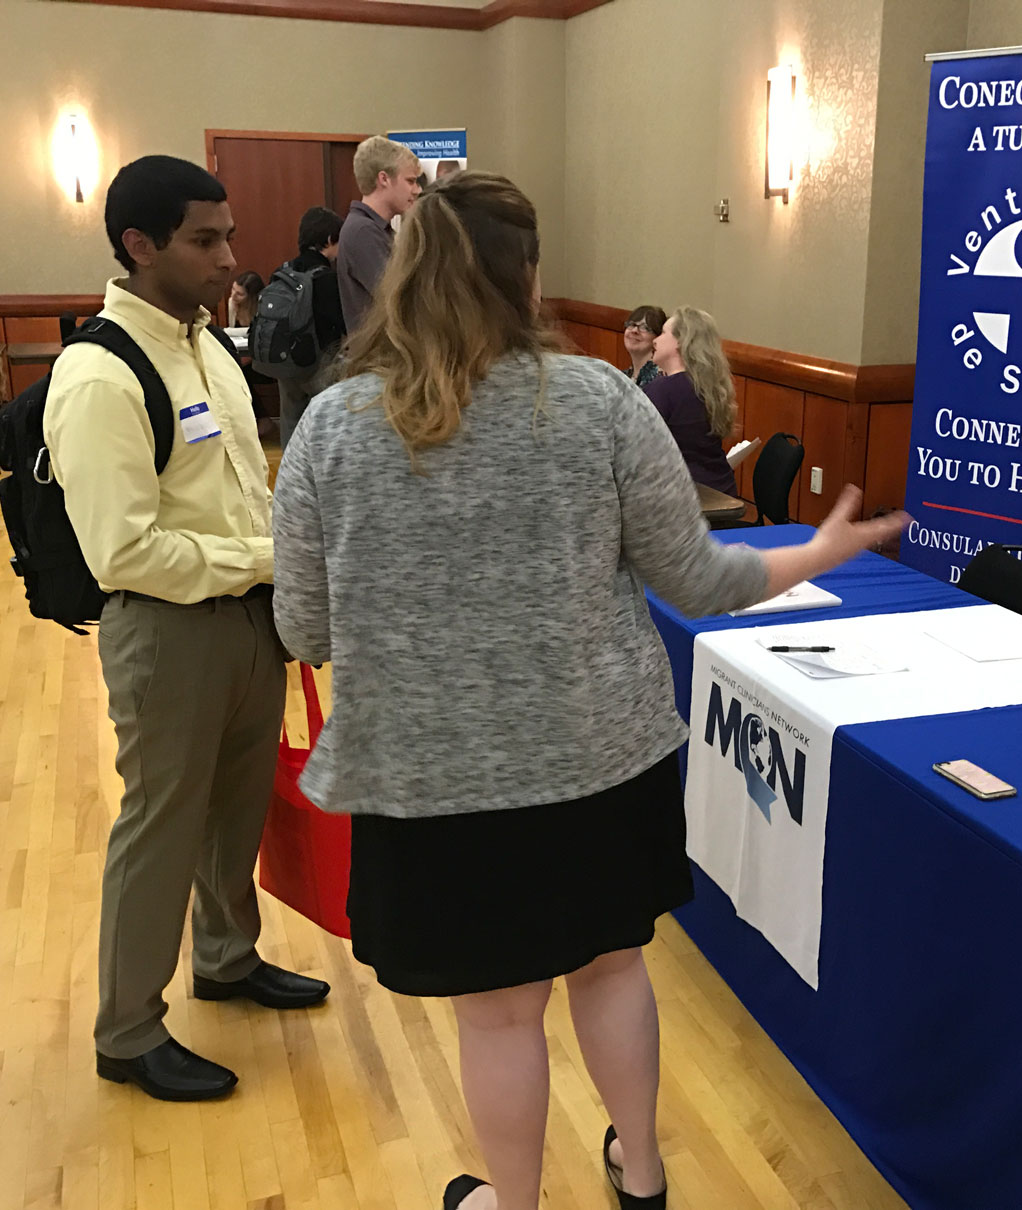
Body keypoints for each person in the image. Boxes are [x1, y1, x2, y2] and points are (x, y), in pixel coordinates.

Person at [271, 171, 908, 1210]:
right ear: (524, 280)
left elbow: (301, 627)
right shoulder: (597, 403)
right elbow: (701, 580)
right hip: (598, 763)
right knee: (612, 970)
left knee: (497, 1016)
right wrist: (816, 553)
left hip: (432, 789)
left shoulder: (333, 430)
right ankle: (641, 1176)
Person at [45, 154, 329, 1104]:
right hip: (166, 635)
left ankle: (226, 957)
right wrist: (263, 559)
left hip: (248, 622)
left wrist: (274, 574)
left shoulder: (208, 344)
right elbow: (122, 553)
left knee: (236, 807)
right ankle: (126, 1029)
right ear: (140, 245)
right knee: (160, 826)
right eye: (205, 240)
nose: (229, 259)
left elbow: (239, 485)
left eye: (229, 236)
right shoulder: (98, 372)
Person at [643, 306, 739, 495]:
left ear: (680, 342)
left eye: (662, 333)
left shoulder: (663, 389)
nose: (655, 340)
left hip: (682, 496)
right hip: (722, 490)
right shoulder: (712, 387)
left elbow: (637, 447)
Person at [336, 135, 421, 331]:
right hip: (378, 357)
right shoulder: (362, 232)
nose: (417, 190)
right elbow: (401, 300)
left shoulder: (375, 229)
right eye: (410, 181)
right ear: (384, 179)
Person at [277, 206, 345, 444]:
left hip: (285, 363)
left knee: (290, 421)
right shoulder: (327, 279)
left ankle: (290, 470)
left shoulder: (282, 273)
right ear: (329, 240)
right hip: (320, 364)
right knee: (328, 422)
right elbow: (341, 323)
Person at [621, 305, 665, 390]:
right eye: (631, 324)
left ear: (657, 338)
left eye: (645, 328)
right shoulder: (623, 376)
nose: (634, 331)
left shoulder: (658, 379)